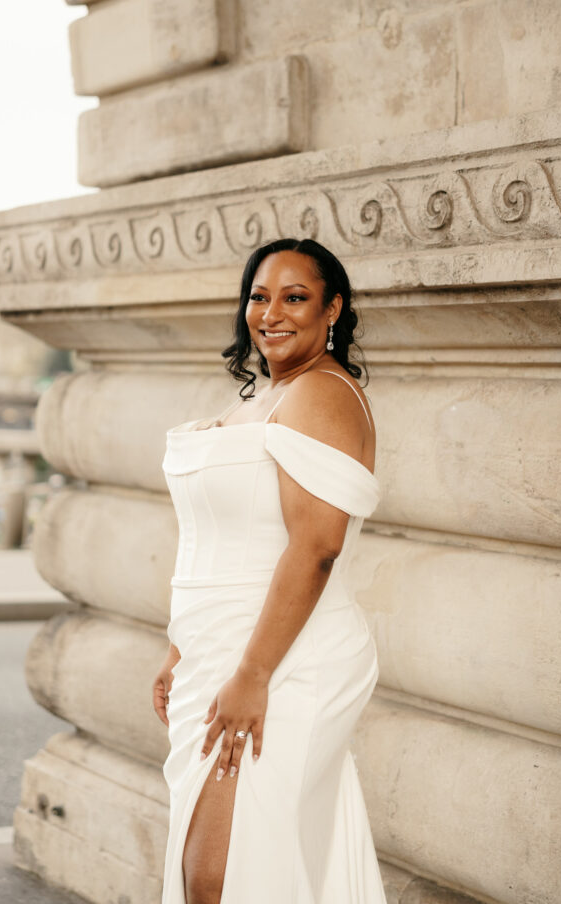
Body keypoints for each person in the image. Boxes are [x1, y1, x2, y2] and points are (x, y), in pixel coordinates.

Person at [152, 237, 387, 904]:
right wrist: (180, 648)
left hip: (284, 658)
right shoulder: (266, 395)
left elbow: (315, 547)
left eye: (295, 297)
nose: (271, 313)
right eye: (259, 297)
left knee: (221, 876)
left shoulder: (321, 394)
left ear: (332, 309)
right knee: (236, 864)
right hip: (221, 648)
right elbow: (223, 535)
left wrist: (252, 675)